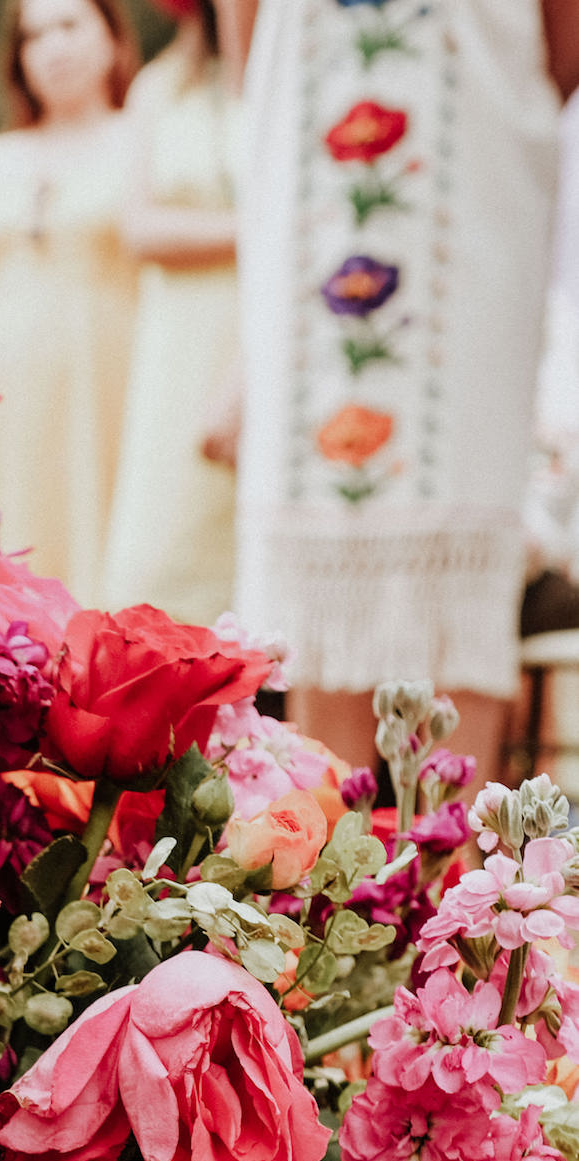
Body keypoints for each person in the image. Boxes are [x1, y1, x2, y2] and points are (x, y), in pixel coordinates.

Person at [235, 0, 579, 773]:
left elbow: (560, 54)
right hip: (308, 207)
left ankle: (461, 882)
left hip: (475, 211)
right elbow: (246, 47)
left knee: (461, 561)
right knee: (311, 572)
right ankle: (327, 884)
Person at [0, 0, 138, 598]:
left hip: (109, 387)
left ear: (112, 35)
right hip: (5, 400)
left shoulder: (141, 139)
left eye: (70, 26)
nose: (54, 48)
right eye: (35, 35)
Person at [99, 0, 242, 622]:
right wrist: (261, 230)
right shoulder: (159, 87)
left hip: (255, 317)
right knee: (167, 535)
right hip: (180, 337)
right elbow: (139, 227)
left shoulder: (283, 83)